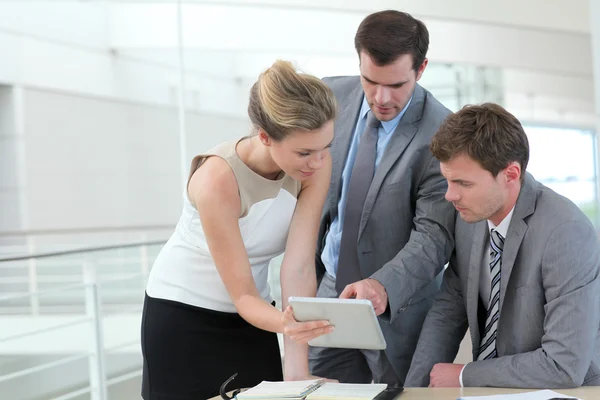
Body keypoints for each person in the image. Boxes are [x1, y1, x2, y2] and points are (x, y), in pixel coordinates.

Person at [140, 60, 338, 400]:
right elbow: (242, 293)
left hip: (256, 317)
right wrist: (288, 324)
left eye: (325, 148)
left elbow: (299, 265)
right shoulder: (217, 179)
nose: (318, 162)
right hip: (184, 317)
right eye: (304, 152)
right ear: (264, 136)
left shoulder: (314, 166)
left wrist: (297, 370)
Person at [404, 103, 600, 388]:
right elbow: (448, 311)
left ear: (510, 174)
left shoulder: (566, 231)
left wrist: (463, 375)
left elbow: (563, 364)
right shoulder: (469, 217)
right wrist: (412, 392)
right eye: (447, 180)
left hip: (569, 391)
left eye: (463, 183)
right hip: (494, 389)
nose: (450, 195)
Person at [311, 10, 455, 385]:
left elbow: (434, 235)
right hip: (329, 287)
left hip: (396, 303)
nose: (381, 97)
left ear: (421, 69)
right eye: (369, 81)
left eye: (396, 84)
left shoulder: (442, 132)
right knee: (317, 391)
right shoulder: (329, 96)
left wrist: (382, 286)